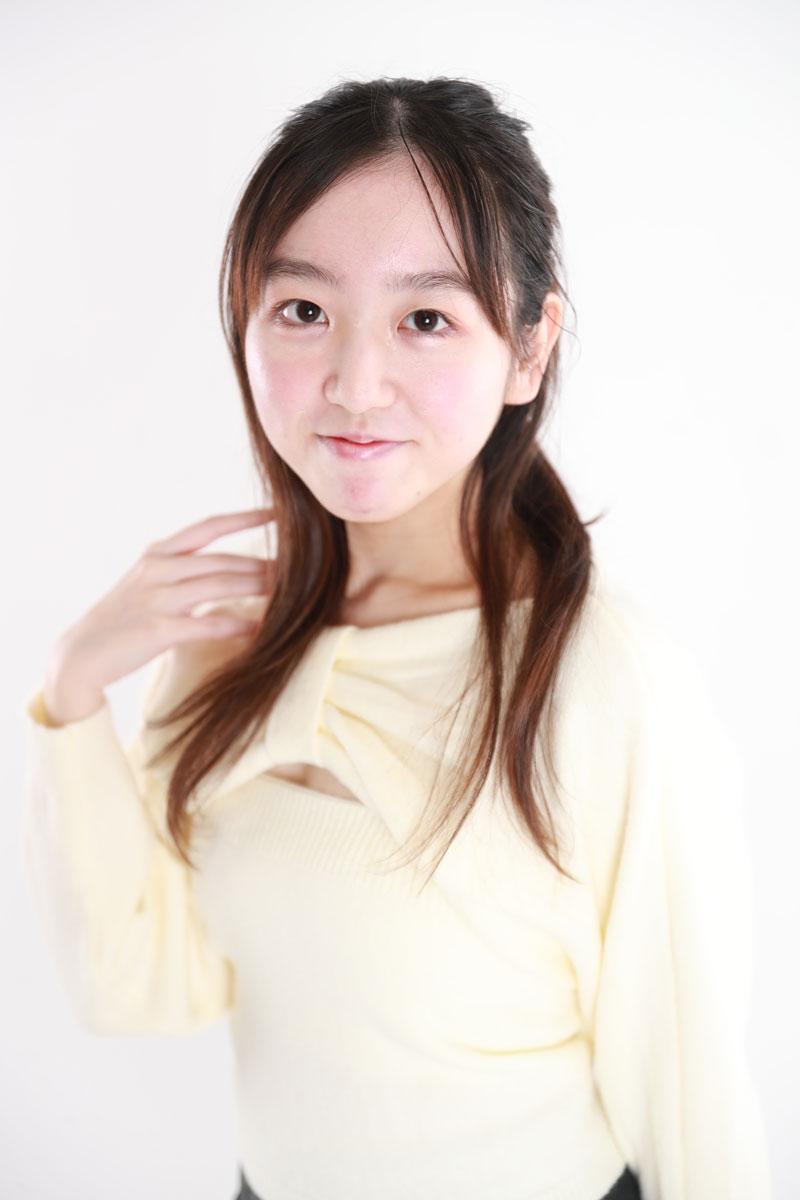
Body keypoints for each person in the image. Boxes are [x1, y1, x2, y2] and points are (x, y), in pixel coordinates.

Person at [20, 76, 773, 1200]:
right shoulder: (227, 643)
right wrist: (73, 688)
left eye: (425, 319)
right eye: (303, 311)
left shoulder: (608, 682)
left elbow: (692, 1097)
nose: (354, 386)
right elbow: (144, 986)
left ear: (529, 349)